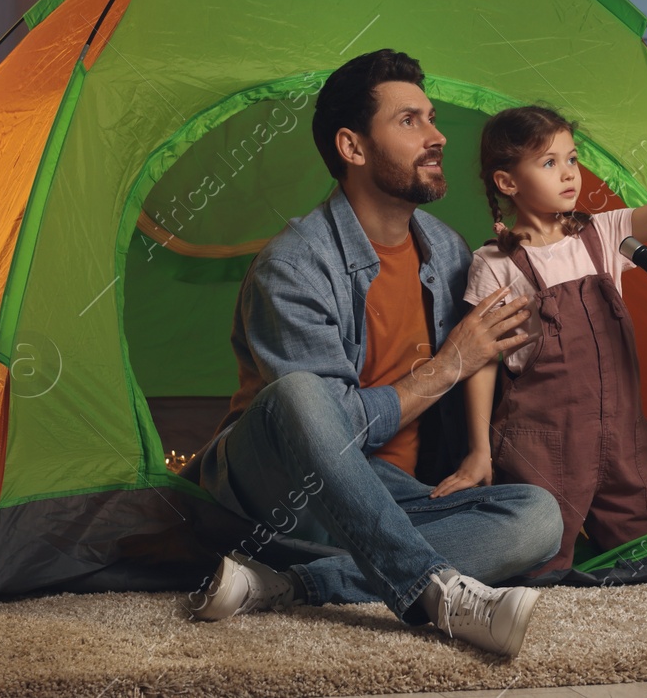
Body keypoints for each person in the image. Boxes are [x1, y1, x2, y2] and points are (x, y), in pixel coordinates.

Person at [183, 50, 564, 657]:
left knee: (539, 516)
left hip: (395, 497)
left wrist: (533, 256)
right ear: (353, 148)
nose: (438, 137)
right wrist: (448, 365)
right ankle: (436, 591)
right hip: (283, 493)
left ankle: (291, 584)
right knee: (302, 393)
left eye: (432, 119)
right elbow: (329, 426)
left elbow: (506, 358)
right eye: (409, 121)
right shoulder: (295, 264)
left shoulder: (448, 250)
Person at [431, 99, 647, 573]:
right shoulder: (495, 265)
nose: (568, 173)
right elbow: (483, 361)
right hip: (543, 440)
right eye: (548, 162)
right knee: (542, 557)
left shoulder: (604, 233)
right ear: (507, 182)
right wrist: (479, 450)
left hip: (622, 433)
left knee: (642, 552)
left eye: (572, 158)